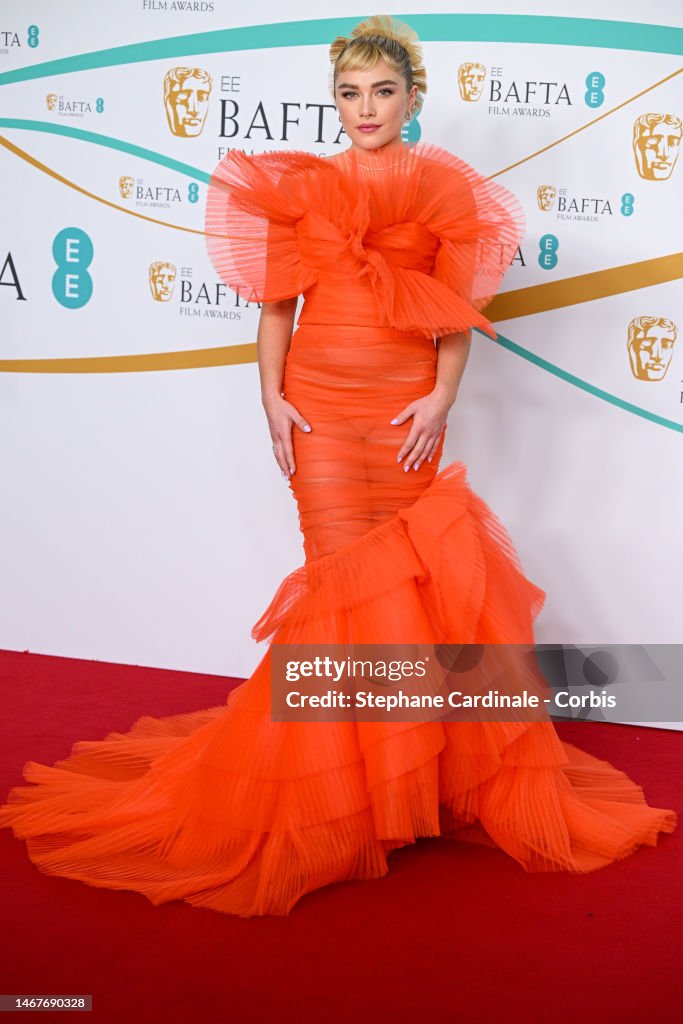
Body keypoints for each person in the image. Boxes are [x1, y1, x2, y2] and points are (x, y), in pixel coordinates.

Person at [0, 15, 676, 918]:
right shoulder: (305, 187)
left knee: (407, 596)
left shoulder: (440, 187)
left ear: (411, 96)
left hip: (401, 410)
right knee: (334, 592)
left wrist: (439, 402)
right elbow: (275, 308)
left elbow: (449, 316)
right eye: (350, 94)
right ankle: (334, 802)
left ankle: (401, 790)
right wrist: (269, 399)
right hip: (316, 407)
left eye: (382, 92)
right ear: (336, 100)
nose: (366, 109)